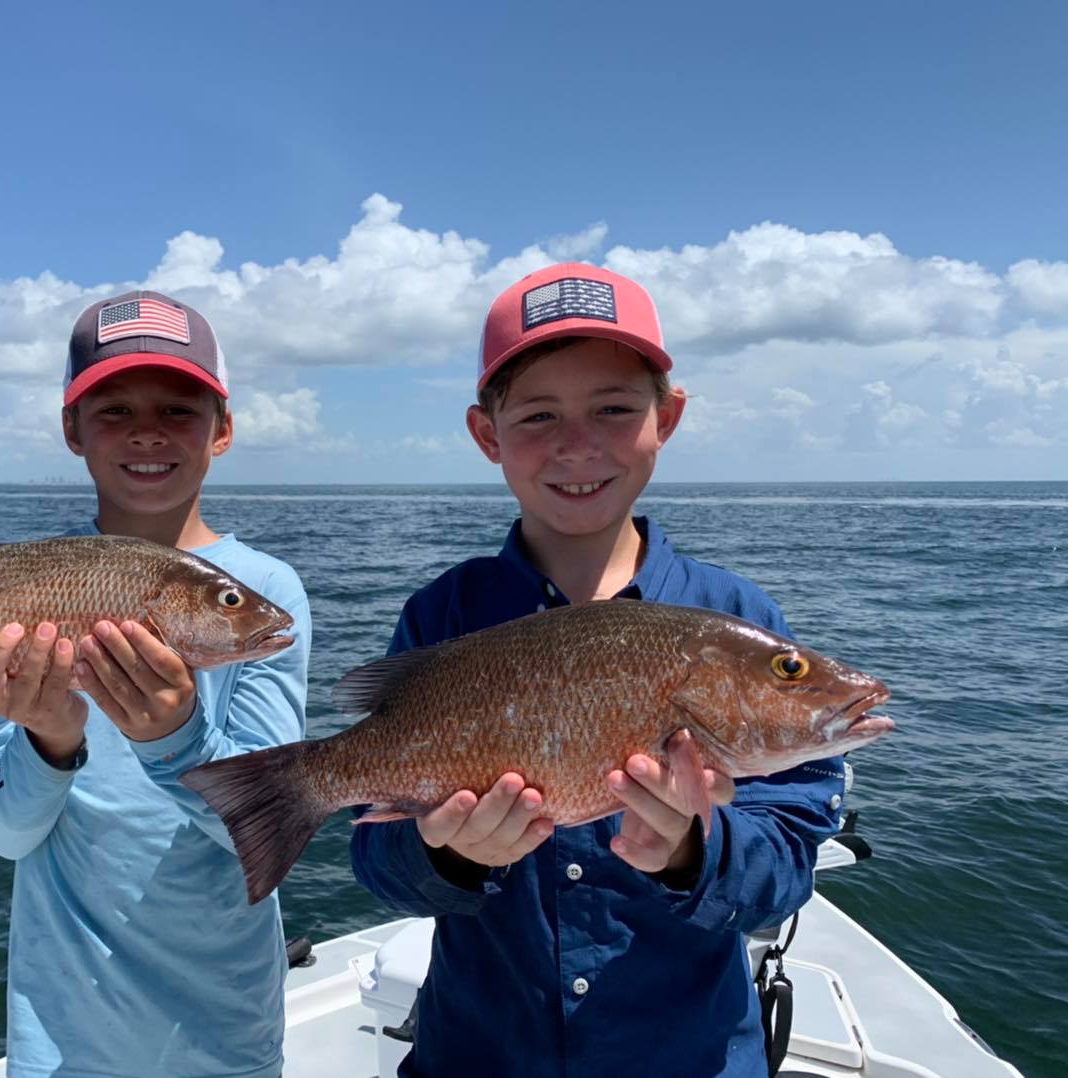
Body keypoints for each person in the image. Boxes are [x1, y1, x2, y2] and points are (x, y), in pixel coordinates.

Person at [349, 263, 846, 1077]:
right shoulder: (442, 614)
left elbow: (786, 869)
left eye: (615, 408)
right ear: (487, 435)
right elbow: (382, 866)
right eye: (539, 415)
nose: (578, 445)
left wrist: (695, 848)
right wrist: (447, 855)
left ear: (668, 417)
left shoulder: (741, 617)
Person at [0, 291, 311, 1078]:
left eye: (179, 409)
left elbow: (266, 823)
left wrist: (173, 738)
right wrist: (50, 739)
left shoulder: (268, 592)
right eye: (113, 410)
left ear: (224, 428)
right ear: (71, 431)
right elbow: (3, 833)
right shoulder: (22, 589)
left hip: (227, 1030)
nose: (147, 431)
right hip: (63, 1041)